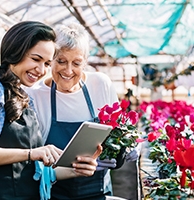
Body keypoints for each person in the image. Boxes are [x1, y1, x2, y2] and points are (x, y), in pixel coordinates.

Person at [0, 21, 101, 200]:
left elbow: (36, 173)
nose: (41, 70)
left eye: (48, 64)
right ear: (15, 52)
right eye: (36, 59)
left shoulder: (26, 97)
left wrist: (76, 170)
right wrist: (31, 153)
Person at [26, 23, 137, 200]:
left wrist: (120, 153)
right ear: (50, 60)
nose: (68, 70)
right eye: (61, 61)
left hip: (98, 189)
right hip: (54, 192)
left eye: (76, 63)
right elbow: (30, 154)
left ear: (85, 62)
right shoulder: (36, 95)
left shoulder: (100, 84)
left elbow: (121, 132)